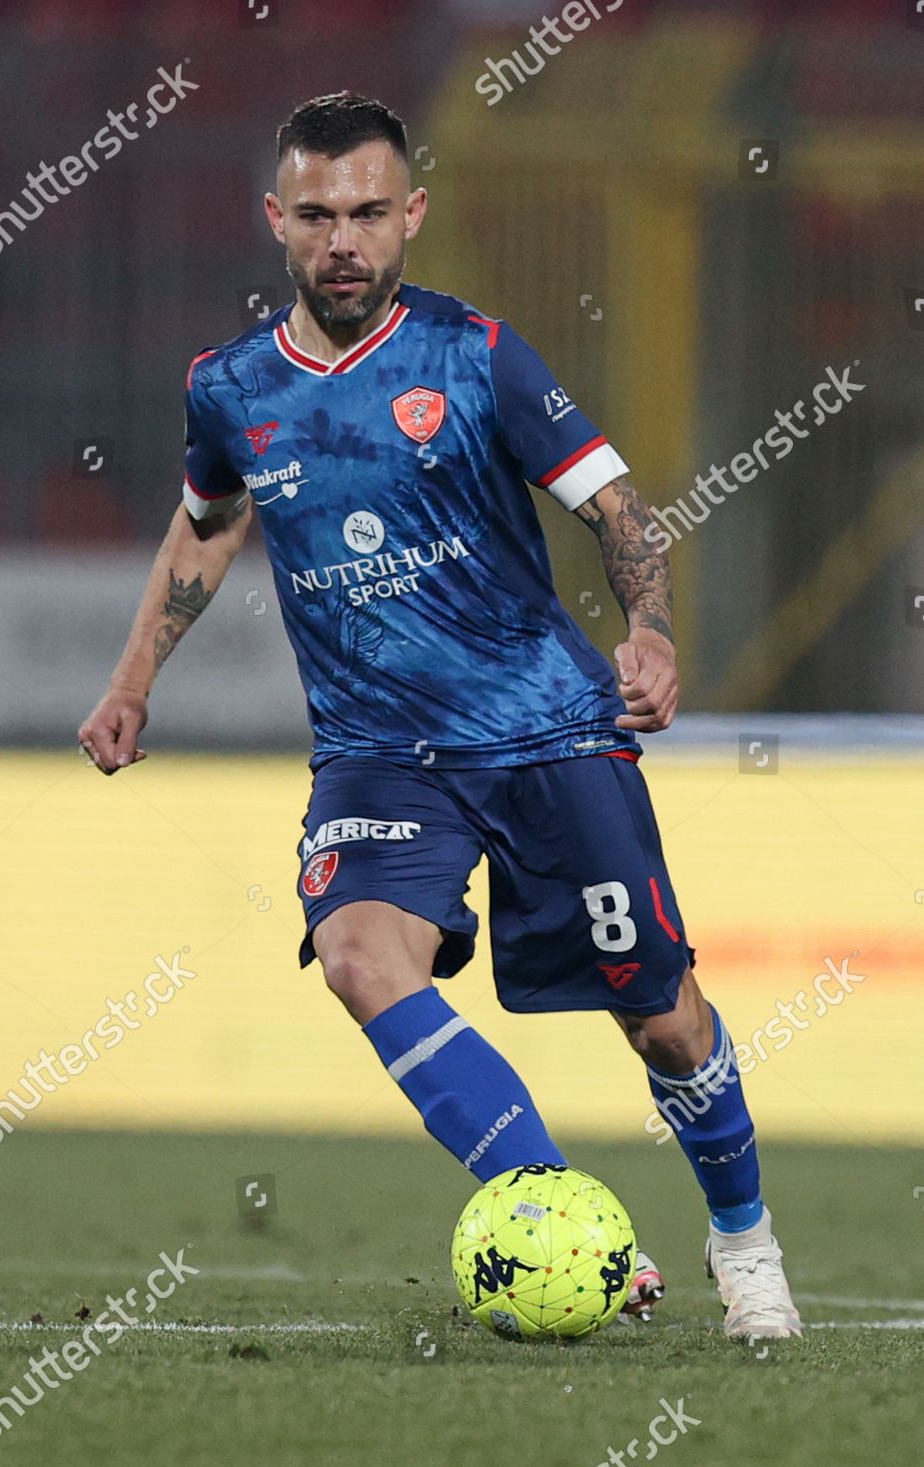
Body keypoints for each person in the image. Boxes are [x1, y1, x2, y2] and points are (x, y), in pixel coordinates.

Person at [78, 92, 800, 1340]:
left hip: (547, 733)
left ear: (411, 214)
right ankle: (545, 1207)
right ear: (277, 222)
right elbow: (207, 525)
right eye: (317, 215)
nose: (343, 240)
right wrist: (134, 679)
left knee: (660, 1014)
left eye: (368, 212)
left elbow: (615, 504)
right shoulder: (230, 388)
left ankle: (743, 1237)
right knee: (359, 959)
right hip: (377, 757)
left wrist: (652, 632)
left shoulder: (477, 355)